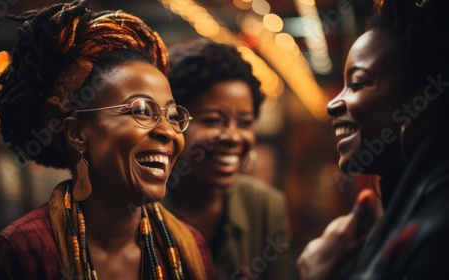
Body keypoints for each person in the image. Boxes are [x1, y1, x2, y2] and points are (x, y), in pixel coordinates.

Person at [0, 1, 216, 279]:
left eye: (172, 115)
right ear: (77, 134)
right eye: (140, 110)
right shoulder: (18, 254)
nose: (168, 131)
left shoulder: (190, 248)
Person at [298, 0, 449, 279]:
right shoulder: (413, 205)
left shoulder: (437, 232)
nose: (333, 104)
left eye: (356, 83)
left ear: (421, 101)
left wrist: (319, 274)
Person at [161, 38, 292, 280]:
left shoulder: (265, 206)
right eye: (212, 120)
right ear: (174, 123)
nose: (233, 137)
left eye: (244, 123)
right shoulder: (141, 207)